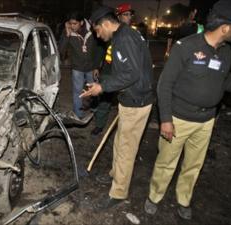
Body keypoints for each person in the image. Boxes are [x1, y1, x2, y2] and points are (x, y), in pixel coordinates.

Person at [144, 0, 231, 220]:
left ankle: (184, 198)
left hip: (206, 121)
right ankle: (154, 196)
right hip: (178, 119)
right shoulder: (186, 47)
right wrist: (165, 119)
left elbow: (224, 79)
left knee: (194, 165)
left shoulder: (226, 51)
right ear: (225, 27)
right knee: (166, 163)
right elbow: (164, 84)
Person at [82, 6, 155, 209]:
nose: (98, 35)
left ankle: (119, 192)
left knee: (126, 148)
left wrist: (102, 87)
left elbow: (131, 74)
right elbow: (126, 70)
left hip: (136, 101)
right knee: (120, 141)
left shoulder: (124, 38)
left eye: (97, 30)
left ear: (106, 24)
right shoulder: (124, 35)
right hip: (131, 98)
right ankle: (115, 175)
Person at [91, 3, 135, 136]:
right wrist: (96, 66)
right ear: (118, 16)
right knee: (104, 101)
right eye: (125, 14)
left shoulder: (130, 35)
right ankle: (99, 125)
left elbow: (133, 69)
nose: (128, 17)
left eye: (130, 14)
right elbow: (101, 49)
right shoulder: (109, 34)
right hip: (108, 71)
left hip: (123, 76)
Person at [59, 11, 99, 120]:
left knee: (94, 90)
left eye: (75, 24)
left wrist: (96, 66)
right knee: (77, 91)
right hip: (77, 67)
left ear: (81, 22)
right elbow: (61, 50)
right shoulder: (68, 32)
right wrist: (67, 34)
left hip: (91, 67)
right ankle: (78, 114)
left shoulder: (92, 30)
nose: (72, 26)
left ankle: (95, 110)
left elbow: (98, 49)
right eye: (70, 24)